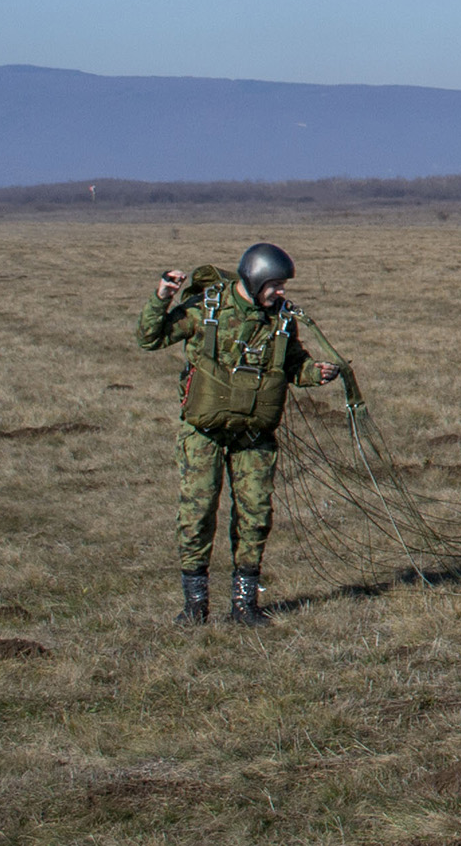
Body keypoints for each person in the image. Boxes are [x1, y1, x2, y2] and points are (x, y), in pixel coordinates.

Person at [135, 243, 340, 626]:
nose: (281, 292)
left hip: (253, 436)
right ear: (255, 278)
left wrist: (317, 373)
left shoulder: (280, 320)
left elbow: (293, 362)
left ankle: (245, 605)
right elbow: (150, 338)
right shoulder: (206, 309)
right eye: (275, 284)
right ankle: (195, 606)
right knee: (197, 514)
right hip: (204, 434)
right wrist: (162, 296)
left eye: (282, 285)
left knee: (255, 515)